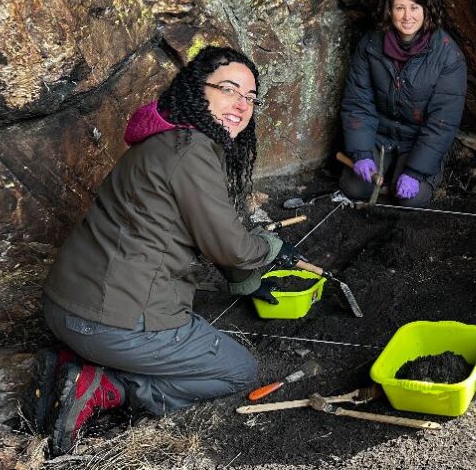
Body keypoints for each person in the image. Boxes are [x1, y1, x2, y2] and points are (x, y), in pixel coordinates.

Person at [28, 47, 301, 455]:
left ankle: (75, 361)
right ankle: (108, 386)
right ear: (197, 89)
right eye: (229, 89)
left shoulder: (165, 140)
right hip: (109, 326)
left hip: (64, 309)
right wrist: (270, 249)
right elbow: (230, 245)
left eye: (250, 97)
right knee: (239, 370)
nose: (241, 105)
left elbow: (204, 229)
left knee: (178, 315)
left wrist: (243, 277)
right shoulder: (192, 152)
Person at [339, 0, 467, 207]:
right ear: (390, 11)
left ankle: (429, 166)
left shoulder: (447, 55)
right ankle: (384, 167)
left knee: (411, 199)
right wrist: (361, 153)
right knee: (354, 187)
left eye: (415, 7)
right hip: (381, 134)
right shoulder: (371, 44)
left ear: (426, 10)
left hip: (417, 138)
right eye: (400, 7)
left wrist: (416, 171)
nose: (408, 16)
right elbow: (358, 101)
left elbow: (443, 121)